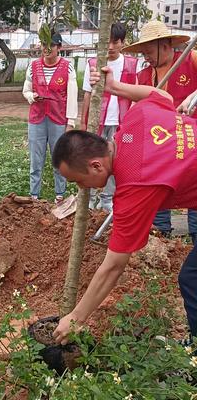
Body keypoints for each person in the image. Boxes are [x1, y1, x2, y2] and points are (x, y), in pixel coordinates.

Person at [51, 65, 197, 345]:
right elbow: (161, 95)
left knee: (192, 280)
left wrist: (76, 317)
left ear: (96, 165)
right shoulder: (136, 118)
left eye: (79, 181)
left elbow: (114, 266)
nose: (81, 189)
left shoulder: (134, 187)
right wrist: (115, 87)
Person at [124, 20, 197, 241]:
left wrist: (194, 97)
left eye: (148, 52)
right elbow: (139, 109)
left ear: (165, 45)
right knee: (158, 184)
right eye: (143, 53)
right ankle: (161, 233)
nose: (145, 57)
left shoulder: (190, 59)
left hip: (192, 144)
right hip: (163, 146)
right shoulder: (144, 76)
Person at [80, 23, 139, 212]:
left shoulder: (132, 64)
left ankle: (107, 198)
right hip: (98, 121)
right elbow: (87, 94)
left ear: (123, 42)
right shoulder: (93, 63)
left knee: (117, 160)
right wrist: (84, 122)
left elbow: (136, 94)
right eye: (108, 42)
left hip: (122, 124)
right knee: (93, 158)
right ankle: (89, 197)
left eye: (116, 42)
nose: (111, 47)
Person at [22, 32, 78, 203]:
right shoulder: (33, 66)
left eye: (51, 45)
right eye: (44, 44)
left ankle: (59, 195)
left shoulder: (67, 67)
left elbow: (72, 96)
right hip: (37, 118)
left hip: (58, 119)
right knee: (35, 158)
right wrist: (32, 96)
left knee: (59, 157)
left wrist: (71, 122)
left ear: (59, 48)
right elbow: (26, 90)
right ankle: (34, 196)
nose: (46, 49)